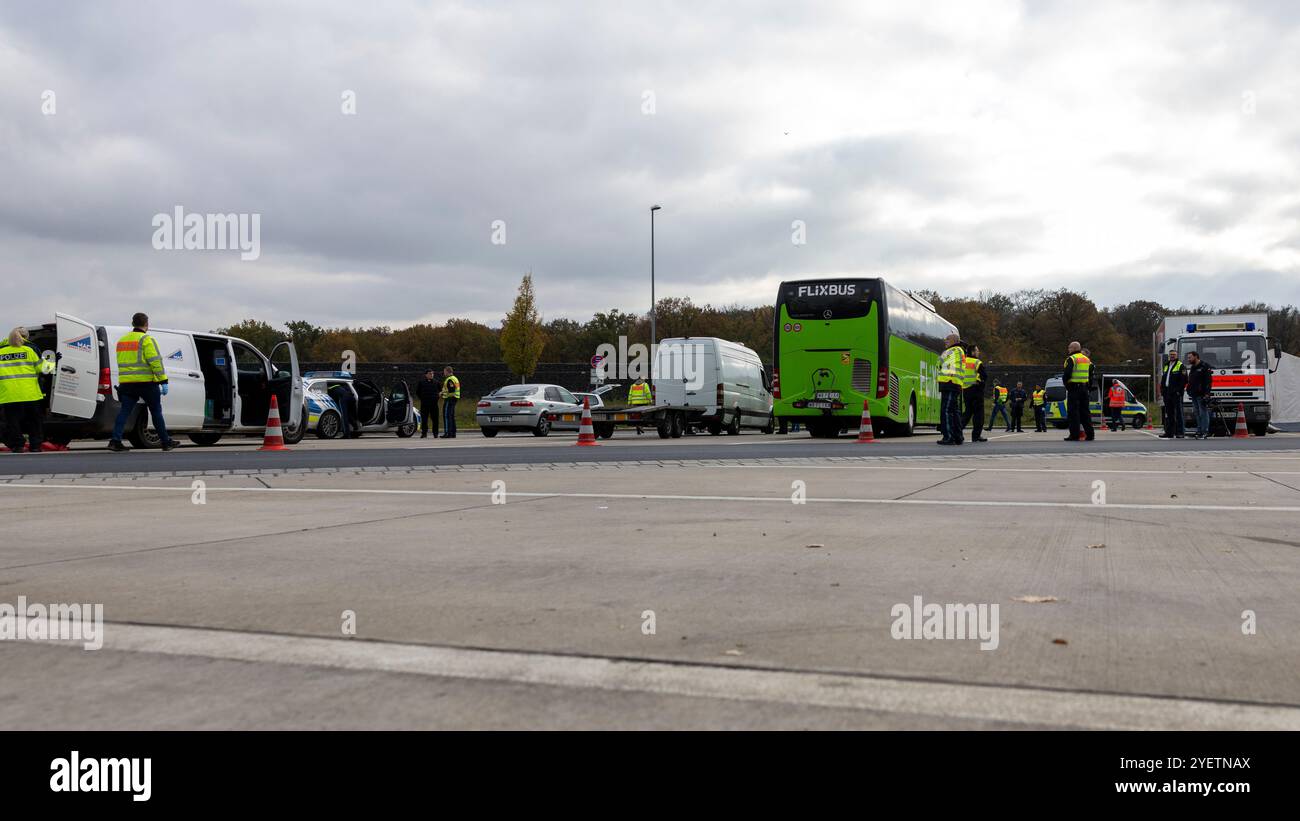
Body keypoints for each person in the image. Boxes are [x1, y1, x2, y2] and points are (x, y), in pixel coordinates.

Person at [108, 313, 178, 452]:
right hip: (146, 383)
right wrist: (163, 380)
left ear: (133, 324)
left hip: (127, 384)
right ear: (146, 324)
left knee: (124, 412)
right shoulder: (146, 339)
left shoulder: (122, 341)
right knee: (156, 411)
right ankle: (165, 442)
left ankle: (115, 441)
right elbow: (155, 361)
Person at [0, 328, 55, 454]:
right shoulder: (29, 350)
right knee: (34, 422)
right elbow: (44, 369)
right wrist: (52, 361)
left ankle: (17, 446)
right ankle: (35, 446)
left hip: (8, 394)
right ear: (25, 338)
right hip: (30, 394)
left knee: (12, 422)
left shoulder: (1, 352)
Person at [936, 334, 965, 445]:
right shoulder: (957, 350)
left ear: (955, 340)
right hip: (953, 383)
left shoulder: (953, 350)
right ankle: (958, 437)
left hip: (949, 382)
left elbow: (941, 364)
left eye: (947, 339)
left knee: (946, 411)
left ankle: (948, 437)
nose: (945, 341)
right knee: (954, 411)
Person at [1062, 341, 1094, 441]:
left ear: (1074, 348)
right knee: (1085, 412)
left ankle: (1074, 435)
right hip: (1084, 389)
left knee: (1073, 413)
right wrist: (1087, 387)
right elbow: (1090, 376)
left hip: (1074, 388)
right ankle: (1090, 435)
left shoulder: (1071, 359)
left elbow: (1067, 374)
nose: (1068, 349)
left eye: (1069, 348)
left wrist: (1067, 386)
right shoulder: (1087, 359)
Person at [960, 345, 988, 442]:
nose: (978, 352)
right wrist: (980, 383)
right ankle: (976, 436)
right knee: (978, 414)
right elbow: (984, 376)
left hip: (966, 390)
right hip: (976, 390)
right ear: (972, 352)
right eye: (977, 350)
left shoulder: (962, 362)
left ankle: (957, 431)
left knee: (967, 413)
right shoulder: (977, 362)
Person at [1158, 349, 1186, 439]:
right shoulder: (1166, 365)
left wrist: (1178, 391)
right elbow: (1163, 379)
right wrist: (1162, 390)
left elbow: (1184, 380)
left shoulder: (1181, 366)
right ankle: (1169, 432)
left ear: (1177, 355)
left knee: (1178, 413)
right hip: (1167, 393)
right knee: (1169, 414)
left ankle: (1180, 432)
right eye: (1171, 355)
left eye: (1174, 354)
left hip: (1176, 394)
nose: (1172, 356)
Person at [1185, 351, 1212, 439]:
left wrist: (1207, 394)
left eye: (1190, 357)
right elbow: (1191, 380)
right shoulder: (1193, 367)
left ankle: (1205, 431)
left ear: (1196, 356)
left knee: (1203, 413)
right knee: (1197, 413)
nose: (1189, 359)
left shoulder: (1204, 366)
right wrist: (1189, 389)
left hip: (1202, 394)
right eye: (1188, 358)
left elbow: (1208, 381)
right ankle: (1199, 431)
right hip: (1194, 394)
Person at [415, 369, 440, 439]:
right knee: (424, 419)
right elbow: (417, 392)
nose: (431, 375)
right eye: (429, 374)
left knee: (435, 419)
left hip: (434, 404)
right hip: (424, 404)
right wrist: (422, 399)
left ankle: (435, 433)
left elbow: (440, 391)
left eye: (432, 374)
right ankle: (424, 433)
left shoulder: (436, 382)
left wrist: (436, 398)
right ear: (426, 375)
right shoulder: (421, 382)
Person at [439, 366, 460, 438]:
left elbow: (451, 389)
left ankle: (448, 433)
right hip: (454, 398)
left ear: (448, 372)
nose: (444, 373)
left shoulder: (450, 379)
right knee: (451, 416)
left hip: (449, 398)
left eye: (444, 371)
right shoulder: (455, 378)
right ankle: (453, 433)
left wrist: (442, 392)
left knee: (447, 416)